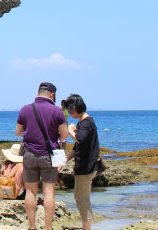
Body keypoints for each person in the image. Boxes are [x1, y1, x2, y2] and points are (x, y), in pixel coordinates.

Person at [15, 82, 68, 230]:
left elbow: (18, 132)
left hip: (30, 155)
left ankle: (32, 226)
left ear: (38, 93)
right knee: (49, 191)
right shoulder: (57, 111)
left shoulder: (25, 109)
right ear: (52, 95)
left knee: (30, 191)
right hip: (48, 155)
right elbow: (64, 135)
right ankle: (48, 227)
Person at [65, 94, 100, 230]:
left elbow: (79, 139)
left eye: (69, 110)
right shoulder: (84, 122)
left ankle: (87, 227)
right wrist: (66, 159)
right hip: (86, 167)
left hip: (86, 168)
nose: (69, 113)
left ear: (75, 108)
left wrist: (70, 130)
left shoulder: (86, 122)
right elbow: (78, 146)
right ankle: (86, 226)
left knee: (82, 199)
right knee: (81, 198)